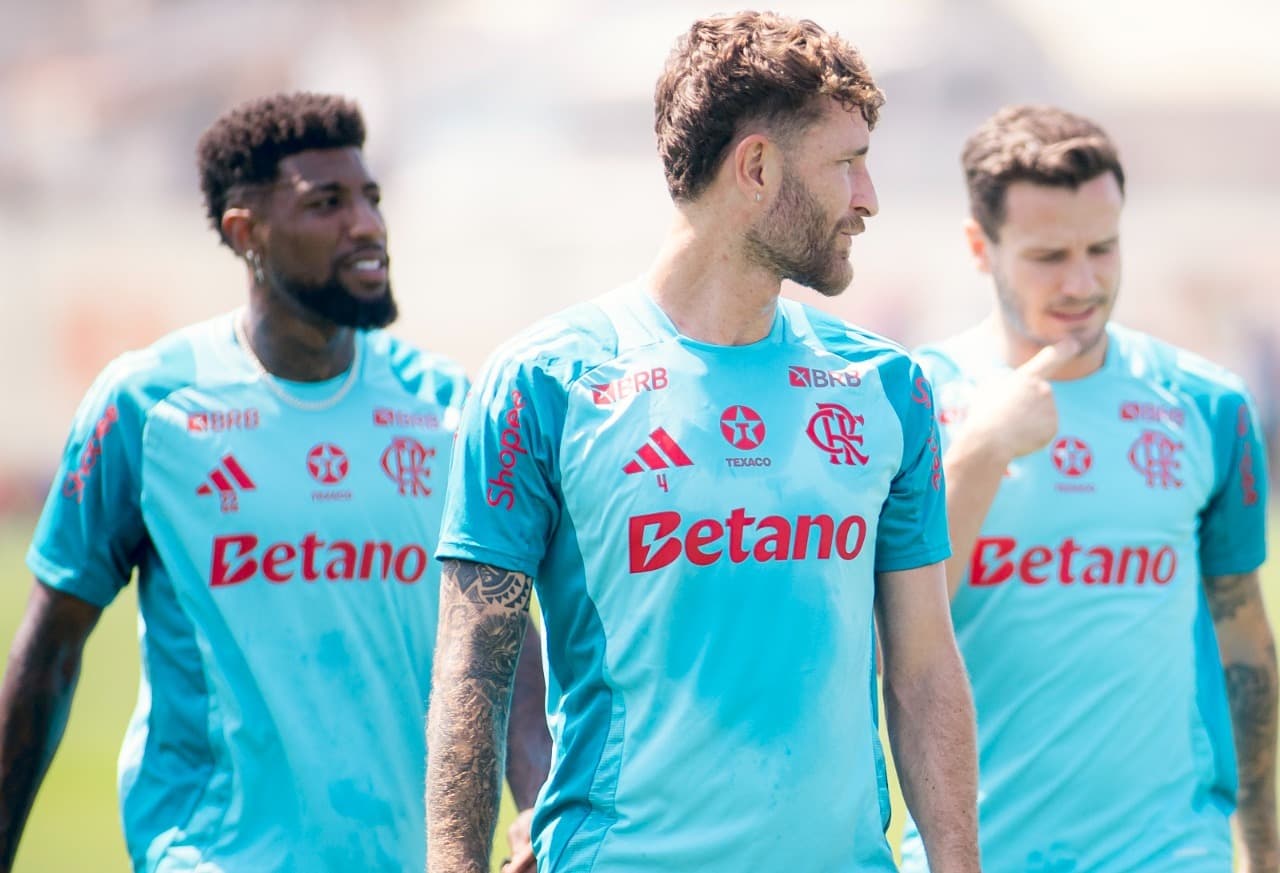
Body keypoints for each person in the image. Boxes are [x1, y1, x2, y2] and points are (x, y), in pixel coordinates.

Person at [427, 12, 981, 873]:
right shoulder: (542, 384)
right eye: (846, 163)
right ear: (756, 167)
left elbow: (923, 669)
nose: (868, 196)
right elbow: (473, 673)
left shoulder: (887, 388)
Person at [0, 92, 549, 873]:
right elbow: (49, 654)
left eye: (370, 197)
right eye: (327, 203)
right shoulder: (148, 409)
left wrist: (536, 801)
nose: (366, 224)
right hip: (211, 856)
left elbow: (497, 636)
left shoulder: (443, 405)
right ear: (245, 232)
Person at [900, 104, 1276, 872]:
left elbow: (1245, 640)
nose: (1082, 281)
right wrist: (980, 450)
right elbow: (896, 643)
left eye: (1102, 248)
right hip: (983, 853)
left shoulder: (1209, 404)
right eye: (1048, 255)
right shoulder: (913, 403)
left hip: (1171, 852)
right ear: (982, 247)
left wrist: (1266, 851)